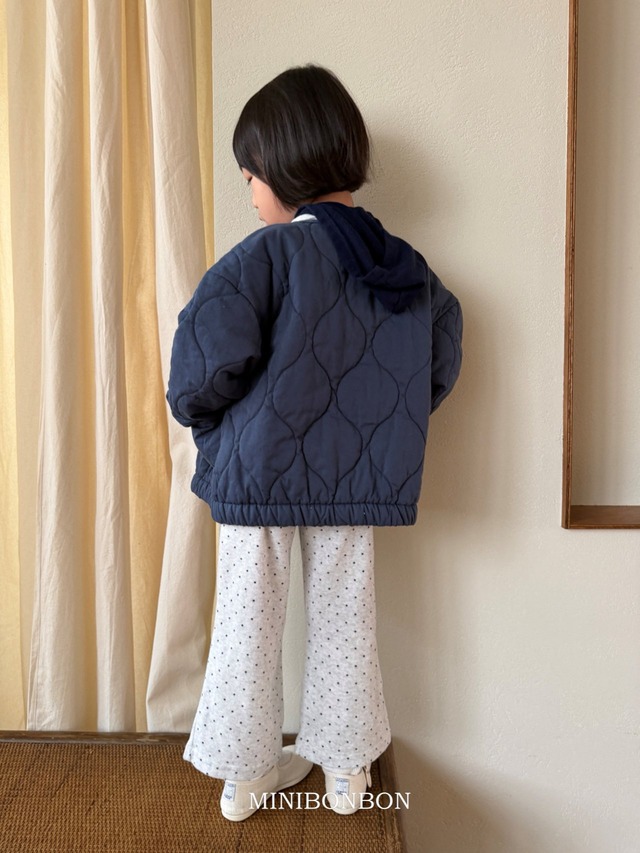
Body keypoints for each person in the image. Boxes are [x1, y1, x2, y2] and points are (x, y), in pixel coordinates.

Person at [166, 64, 462, 822]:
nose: (250, 194)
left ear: (280, 165)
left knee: (247, 621)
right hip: (355, 482)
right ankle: (347, 775)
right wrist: (384, 430)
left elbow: (202, 362)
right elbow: (438, 359)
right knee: (345, 616)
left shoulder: (264, 257)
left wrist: (208, 423)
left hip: (257, 476)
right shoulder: (403, 266)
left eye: (250, 177)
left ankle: (243, 778)